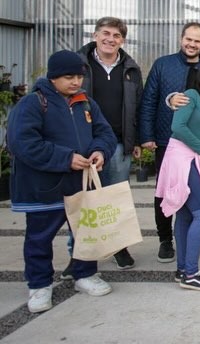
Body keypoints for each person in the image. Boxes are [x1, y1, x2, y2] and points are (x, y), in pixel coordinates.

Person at [8, 50, 117, 313]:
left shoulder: (86, 103)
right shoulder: (34, 103)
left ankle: (84, 274)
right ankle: (39, 285)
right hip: (44, 187)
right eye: (69, 77)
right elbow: (22, 143)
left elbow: (104, 132)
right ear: (53, 76)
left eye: (79, 76)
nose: (76, 82)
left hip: (80, 185)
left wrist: (100, 151)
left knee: (84, 232)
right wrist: (65, 158)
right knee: (39, 237)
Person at [139, 22, 200, 263]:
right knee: (166, 191)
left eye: (197, 41)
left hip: (197, 143)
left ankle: (191, 235)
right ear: (181, 39)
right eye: (188, 39)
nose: (192, 44)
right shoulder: (163, 65)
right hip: (166, 140)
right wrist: (146, 136)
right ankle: (165, 239)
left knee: (195, 192)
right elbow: (149, 100)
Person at [77, 16, 142, 270]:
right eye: (105, 33)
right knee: (84, 199)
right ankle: (81, 254)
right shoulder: (80, 65)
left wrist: (135, 140)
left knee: (115, 199)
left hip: (117, 143)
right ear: (95, 35)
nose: (110, 39)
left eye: (116, 36)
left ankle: (119, 246)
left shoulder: (130, 69)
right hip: (84, 142)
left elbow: (136, 106)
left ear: (122, 40)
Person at [156, 65, 200, 291]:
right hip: (182, 157)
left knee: (185, 215)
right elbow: (178, 126)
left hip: (196, 158)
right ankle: (192, 273)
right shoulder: (192, 96)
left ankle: (183, 269)